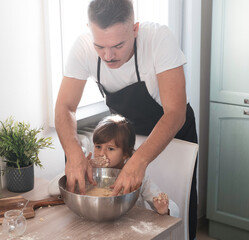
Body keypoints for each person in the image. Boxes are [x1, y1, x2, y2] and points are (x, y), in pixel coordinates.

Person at [54, 0, 198, 238]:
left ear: (135, 29)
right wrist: (74, 154)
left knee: (174, 206)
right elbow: (65, 106)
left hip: (173, 135)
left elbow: (176, 112)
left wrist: (139, 161)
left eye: (118, 46)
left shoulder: (159, 39)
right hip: (124, 137)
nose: (108, 56)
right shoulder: (82, 48)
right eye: (100, 46)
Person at [89, 115, 179, 217]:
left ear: (125, 154)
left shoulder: (138, 177)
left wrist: (164, 209)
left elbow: (174, 207)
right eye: (98, 146)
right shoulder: (92, 174)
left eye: (110, 149)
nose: (101, 153)